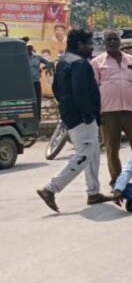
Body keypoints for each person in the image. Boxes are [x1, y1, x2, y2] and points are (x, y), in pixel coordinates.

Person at [36, 29, 107, 212]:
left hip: (70, 114)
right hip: (82, 117)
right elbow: (81, 91)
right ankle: (51, 188)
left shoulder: (63, 62)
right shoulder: (79, 64)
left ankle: (93, 192)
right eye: (88, 44)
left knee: (93, 152)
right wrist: (87, 115)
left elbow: (56, 89)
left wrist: (68, 108)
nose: (91, 48)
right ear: (79, 45)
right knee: (86, 152)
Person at [91, 30, 132, 188]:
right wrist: (97, 112)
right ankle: (117, 183)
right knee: (112, 149)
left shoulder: (131, 60)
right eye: (108, 39)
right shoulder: (97, 63)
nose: (112, 42)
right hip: (108, 113)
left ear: (120, 41)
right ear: (104, 42)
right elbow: (93, 90)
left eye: (115, 39)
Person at [26, 42, 54, 120]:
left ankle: (38, 117)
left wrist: (41, 69)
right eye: (27, 48)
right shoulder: (24, 57)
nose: (29, 49)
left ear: (32, 48)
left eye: (30, 47)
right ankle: (30, 116)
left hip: (36, 81)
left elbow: (50, 63)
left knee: (38, 99)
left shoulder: (37, 57)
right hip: (27, 83)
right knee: (29, 100)